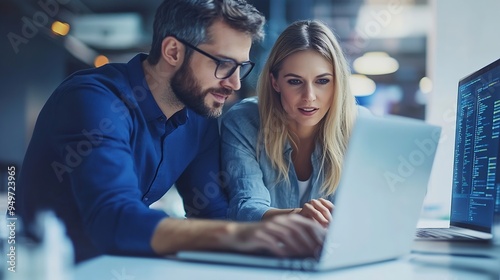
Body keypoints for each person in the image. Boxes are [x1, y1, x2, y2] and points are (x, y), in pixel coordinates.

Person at [18, 0, 325, 263]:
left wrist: (290, 226)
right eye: (223, 65)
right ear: (173, 51)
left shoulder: (199, 116)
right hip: (43, 267)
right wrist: (245, 234)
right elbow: (114, 220)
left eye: (241, 67)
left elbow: (211, 215)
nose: (233, 84)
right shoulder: (92, 100)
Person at [221, 20, 365, 227]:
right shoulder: (245, 122)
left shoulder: (360, 126)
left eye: (322, 81)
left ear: (337, 83)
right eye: (295, 81)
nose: (309, 96)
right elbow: (246, 208)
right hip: (266, 254)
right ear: (275, 82)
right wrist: (299, 215)